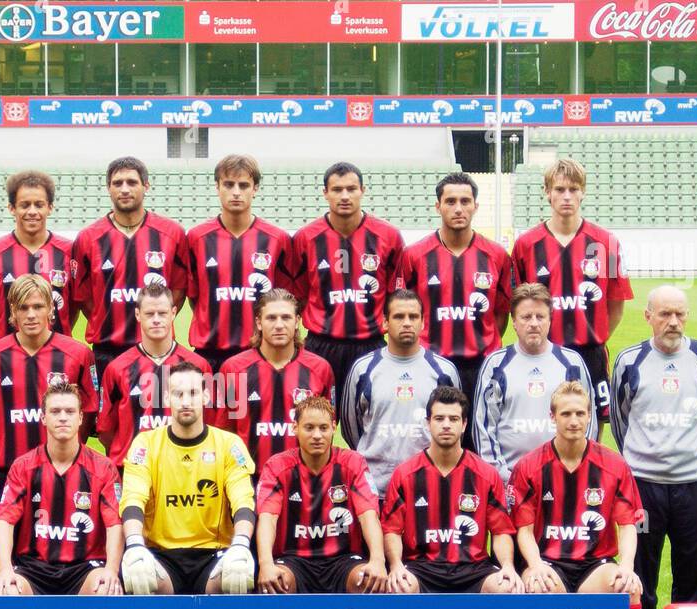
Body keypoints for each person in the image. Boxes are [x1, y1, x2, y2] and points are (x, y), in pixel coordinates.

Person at [611, 285, 697, 609]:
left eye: (680, 314)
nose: (673, 322)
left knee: (692, 576)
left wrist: (693, 456)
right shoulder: (630, 361)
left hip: (695, 484)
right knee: (641, 577)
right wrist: (645, 457)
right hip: (644, 486)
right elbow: (620, 421)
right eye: (664, 314)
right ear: (648, 317)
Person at [510, 381, 644, 609]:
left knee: (628, 587)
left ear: (589, 416)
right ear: (552, 417)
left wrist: (627, 566)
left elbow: (628, 524)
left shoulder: (614, 465)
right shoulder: (529, 466)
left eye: (580, 414)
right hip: (548, 562)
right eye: (566, 414)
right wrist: (535, 565)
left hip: (595, 565)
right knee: (538, 586)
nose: (574, 421)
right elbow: (523, 531)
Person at [511, 158, 633, 422]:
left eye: (574, 189)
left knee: (592, 424)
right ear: (547, 192)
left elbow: (616, 305)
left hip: (590, 354)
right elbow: (518, 305)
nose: (567, 196)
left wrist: (593, 336)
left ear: (583, 192)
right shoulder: (526, 245)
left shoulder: (606, 242)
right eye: (559, 189)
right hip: (544, 352)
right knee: (541, 421)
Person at [119, 362, 256, 595]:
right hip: (161, 555)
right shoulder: (146, 444)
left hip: (214, 553)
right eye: (177, 394)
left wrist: (241, 543)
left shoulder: (229, 444)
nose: (185, 401)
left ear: (205, 396)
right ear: (166, 398)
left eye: (192, 393)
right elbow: (133, 499)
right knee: (139, 577)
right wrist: (134, 544)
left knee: (237, 576)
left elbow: (244, 501)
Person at [398, 172, 514, 446]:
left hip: (481, 367)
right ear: (437, 206)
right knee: (427, 442)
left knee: (478, 441)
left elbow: (501, 311)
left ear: (475, 205)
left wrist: (482, 340)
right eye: (450, 201)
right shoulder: (414, 255)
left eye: (465, 201)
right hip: (431, 366)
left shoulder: (496, 255)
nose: (458, 208)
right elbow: (404, 309)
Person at [382, 386, 521, 594]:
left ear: (464, 424)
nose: (446, 425)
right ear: (427, 423)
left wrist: (508, 566)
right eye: (439, 419)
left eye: (454, 419)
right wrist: (395, 565)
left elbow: (501, 532)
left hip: (474, 568)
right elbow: (391, 530)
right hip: (421, 568)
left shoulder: (486, 474)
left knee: (507, 588)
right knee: (399, 586)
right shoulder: (406, 474)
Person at [0, 382, 124, 596]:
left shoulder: (103, 468)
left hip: (84, 569)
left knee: (106, 589)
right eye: (55, 411)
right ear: (43, 417)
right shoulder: (23, 466)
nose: (63, 417)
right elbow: (5, 522)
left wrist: (111, 570)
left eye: (70, 411)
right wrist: (5, 570)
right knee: (7, 591)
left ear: (81, 417)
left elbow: (114, 525)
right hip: (32, 568)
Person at [291, 161, 404, 412]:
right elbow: (296, 296)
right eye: (337, 189)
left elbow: (399, 295)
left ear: (362, 190)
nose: (344, 196)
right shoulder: (305, 238)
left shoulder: (389, 236)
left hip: (371, 344)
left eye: (351, 189)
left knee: (372, 424)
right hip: (320, 346)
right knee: (316, 425)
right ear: (325, 193)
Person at [0, 274, 98, 491]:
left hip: (62, 469)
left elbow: (88, 412)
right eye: (23, 308)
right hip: (7, 471)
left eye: (38, 306)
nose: (31, 315)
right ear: (13, 311)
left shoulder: (78, 355)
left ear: (51, 308)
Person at [256, 396, 387, 594]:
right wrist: (266, 565)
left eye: (323, 428)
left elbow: (369, 516)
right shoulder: (277, 466)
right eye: (309, 428)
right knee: (275, 584)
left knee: (370, 582)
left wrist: (378, 560)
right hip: (293, 561)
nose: (317, 435)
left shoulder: (353, 463)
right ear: (295, 428)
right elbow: (267, 519)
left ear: (334, 427)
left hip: (343, 560)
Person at [71, 156, 189, 377]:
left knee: (157, 412)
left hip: (158, 349)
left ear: (146, 186)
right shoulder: (88, 238)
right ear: (108, 188)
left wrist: (156, 319)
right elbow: (84, 298)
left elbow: (179, 291)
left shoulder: (172, 233)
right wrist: (107, 319)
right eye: (117, 183)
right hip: (107, 351)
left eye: (132, 182)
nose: (124, 189)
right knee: (108, 412)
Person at [341, 290, 459, 496]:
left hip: (427, 485)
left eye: (413, 317)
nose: (406, 323)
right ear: (385, 322)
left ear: (423, 323)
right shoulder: (363, 369)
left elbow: (455, 425)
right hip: (374, 488)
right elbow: (351, 428)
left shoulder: (444, 371)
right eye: (398, 316)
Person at [473, 282, 596, 482]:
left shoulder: (571, 363)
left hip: (562, 477)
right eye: (526, 317)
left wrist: (574, 468)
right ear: (513, 321)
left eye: (540, 317)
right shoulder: (496, 364)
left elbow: (589, 423)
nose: (533, 323)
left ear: (550, 320)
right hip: (511, 480)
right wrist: (504, 478)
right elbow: (484, 427)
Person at [184, 154, 294, 374]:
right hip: (209, 354)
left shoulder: (277, 239)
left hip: (259, 354)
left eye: (243, 185)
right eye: (228, 184)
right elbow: (194, 296)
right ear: (217, 187)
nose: (236, 192)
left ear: (255, 189)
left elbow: (284, 297)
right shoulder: (196, 238)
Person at [214, 289, 334, 467]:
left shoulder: (320, 369)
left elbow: (327, 427)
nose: (279, 325)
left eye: (286, 317)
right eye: (271, 318)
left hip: (302, 479)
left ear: (297, 322)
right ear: (259, 323)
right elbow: (225, 433)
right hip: (249, 479)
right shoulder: (233, 369)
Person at [97, 283, 211, 466]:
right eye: (149, 314)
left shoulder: (198, 366)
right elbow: (106, 431)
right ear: (137, 315)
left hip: (183, 469)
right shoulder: (117, 369)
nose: (156, 319)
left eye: (162, 313)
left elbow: (211, 423)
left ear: (173, 313)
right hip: (132, 471)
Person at [0, 169, 75, 338]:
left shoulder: (70, 251)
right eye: (25, 205)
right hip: (6, 355)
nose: (32, 211)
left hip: (59, 356)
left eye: (39, 204)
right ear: (12, 208)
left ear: (50, 207)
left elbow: (72, 307)